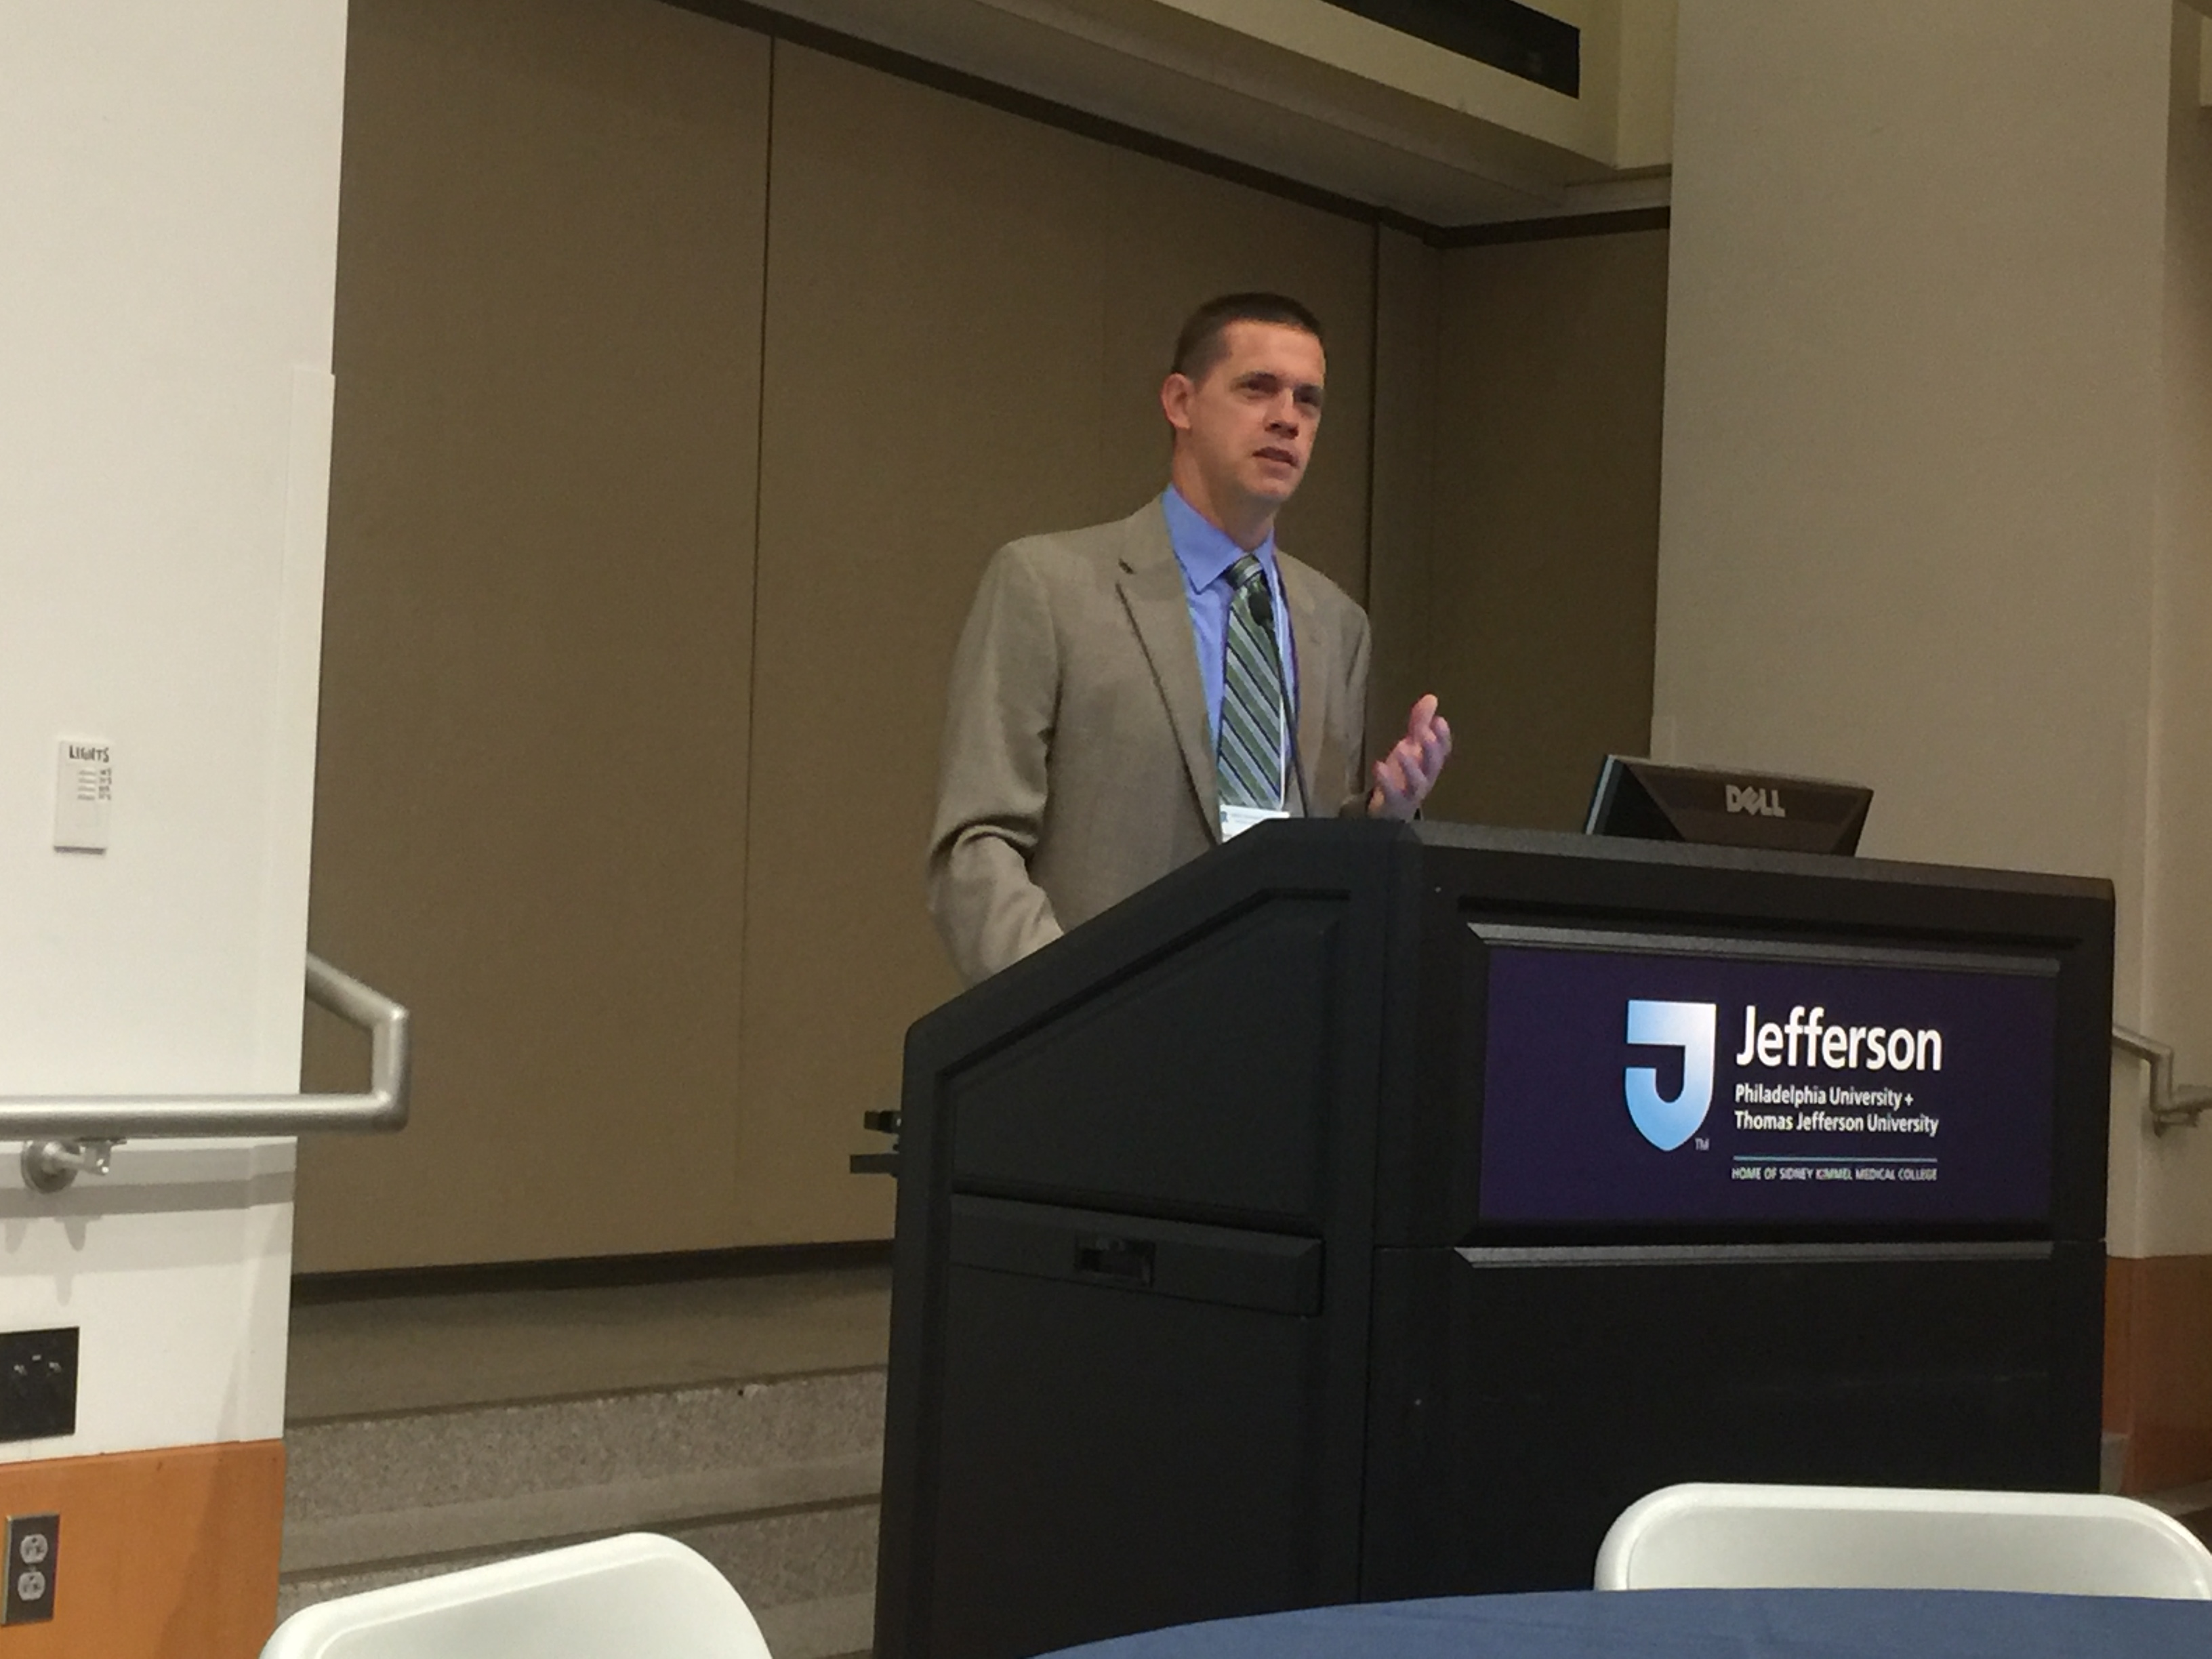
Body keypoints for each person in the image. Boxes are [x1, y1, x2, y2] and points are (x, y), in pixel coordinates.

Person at [928, 292, 1452, 985]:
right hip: (1100, 1037)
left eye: (1308, 400)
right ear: (1181, 402)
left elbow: (1308, 848)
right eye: (1257, 388)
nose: (1286, 419)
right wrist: (1062, 1002)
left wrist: (1387, 818)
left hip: (1277, 1029)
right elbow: (977, 844)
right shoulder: (1049, 585)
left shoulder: (1335, 624)